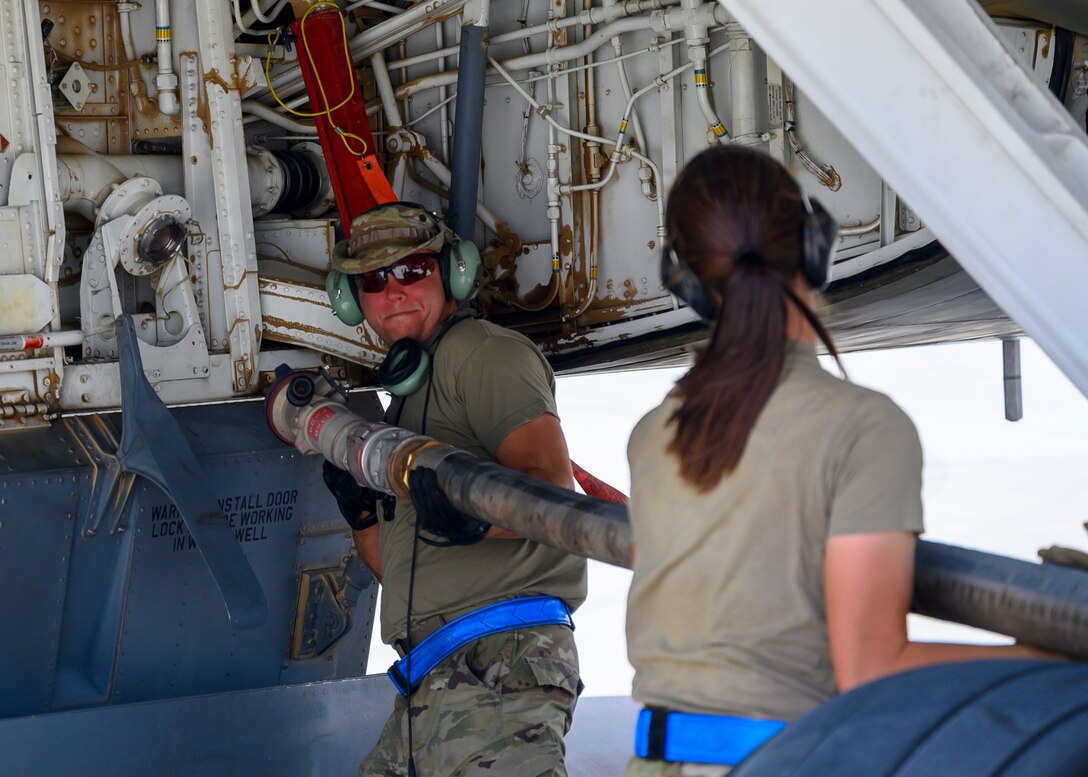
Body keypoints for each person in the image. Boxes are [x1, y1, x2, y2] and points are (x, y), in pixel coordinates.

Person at [623, 146, 1051, 776]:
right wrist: (1046, 656)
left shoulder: (652, 433)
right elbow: (870, 668)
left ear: (684, 281)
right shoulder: (863, 428)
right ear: (816, 244)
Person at [321, 202, 588, 777]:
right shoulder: (410, 406)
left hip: (499, 662)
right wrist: (363, 515)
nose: (393, 292)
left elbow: (551, 495)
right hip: (432, 675)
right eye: (373, 280)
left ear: (452, 272)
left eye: (412, 270)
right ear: (351, 299)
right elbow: (406, 572)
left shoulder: (484, 356)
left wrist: (473, 520)